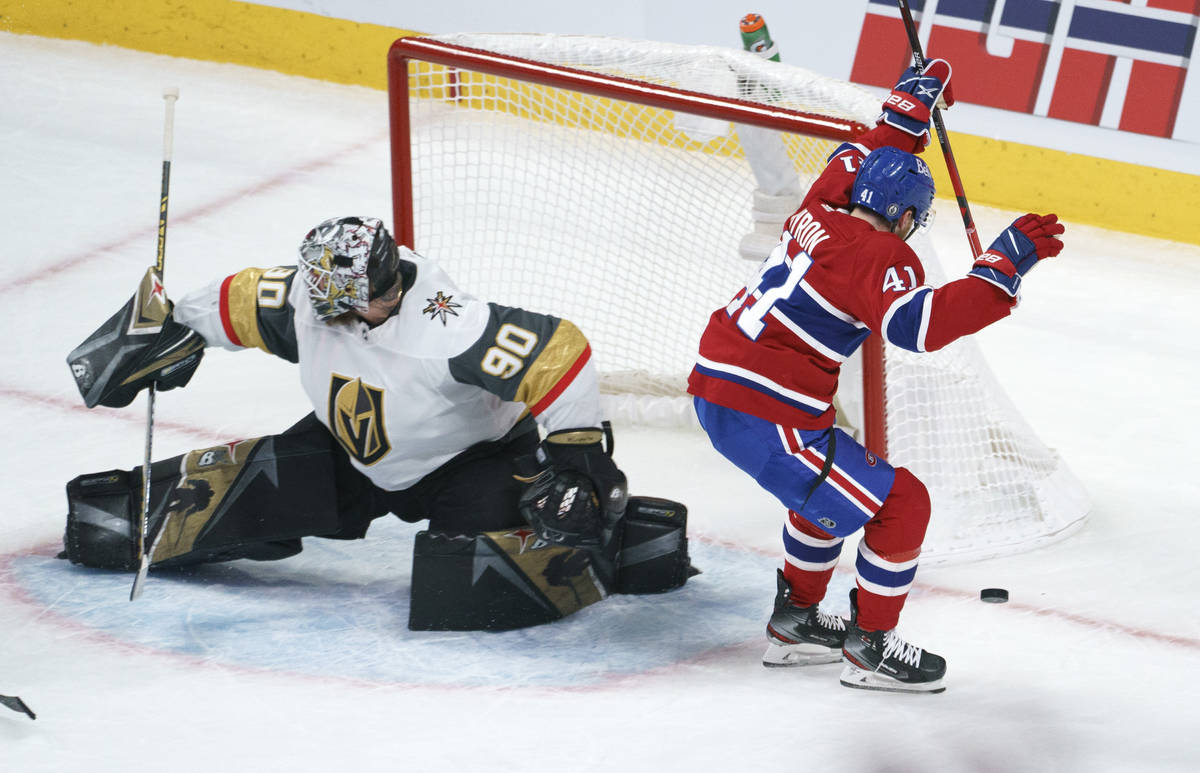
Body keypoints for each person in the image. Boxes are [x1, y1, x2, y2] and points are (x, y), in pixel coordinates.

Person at [63, 216, 692, 630]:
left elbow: (560, 353)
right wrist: (168, 327)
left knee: (462, 588)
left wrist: (579, 463)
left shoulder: (454, 326)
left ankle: (618, 539)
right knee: (255, 491)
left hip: (474, 463)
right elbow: (237, 297)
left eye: (387, 288)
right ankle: (131, 511)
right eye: (366, 297)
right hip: (353, 451)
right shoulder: (306, 304)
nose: (384, 300)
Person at [687, 60, 1065, 693]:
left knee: (829, 495)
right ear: (905, 217)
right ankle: (870, 650)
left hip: (728, 381)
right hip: (766, 408)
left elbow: (867, 155)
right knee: (902, 503)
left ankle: (796, 624)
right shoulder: (882, 254)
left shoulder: (820, 206)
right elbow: (917, 327)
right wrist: (1002, 268)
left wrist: (909, 111)